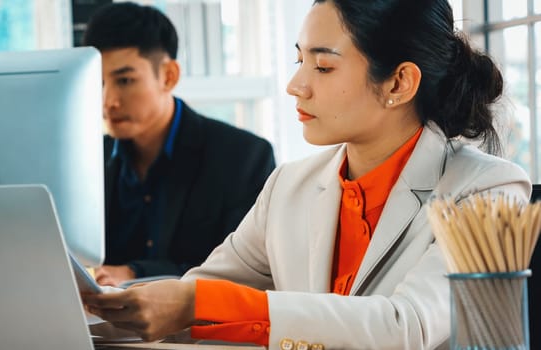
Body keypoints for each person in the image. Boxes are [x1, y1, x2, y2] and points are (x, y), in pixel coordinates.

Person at [82, 0, 532, 349]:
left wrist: (193, 303)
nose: (296, 84)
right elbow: (194, 300)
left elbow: (407, 328)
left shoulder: (489, 191)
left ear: (398, 83)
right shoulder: (289, 187)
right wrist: (95, 309)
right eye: (300, 60)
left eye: (323, 65)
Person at [82, 2, 276, 286]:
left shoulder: (243, 158)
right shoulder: (88, 160)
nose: (108, 100)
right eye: (98, 83)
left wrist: (137, 273)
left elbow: (246, 273)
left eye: (124, 80)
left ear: (169, 76)